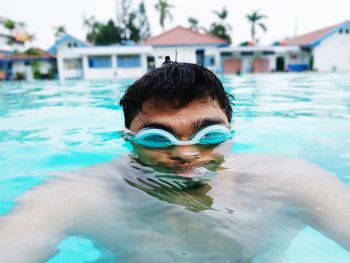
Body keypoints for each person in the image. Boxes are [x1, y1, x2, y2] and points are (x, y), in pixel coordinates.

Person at [0, 61, 350, 262]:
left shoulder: (290, 181)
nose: (185, 153)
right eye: (157, 138)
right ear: (130, 143)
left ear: (231, 133)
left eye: (209, 136)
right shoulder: (84, 194)